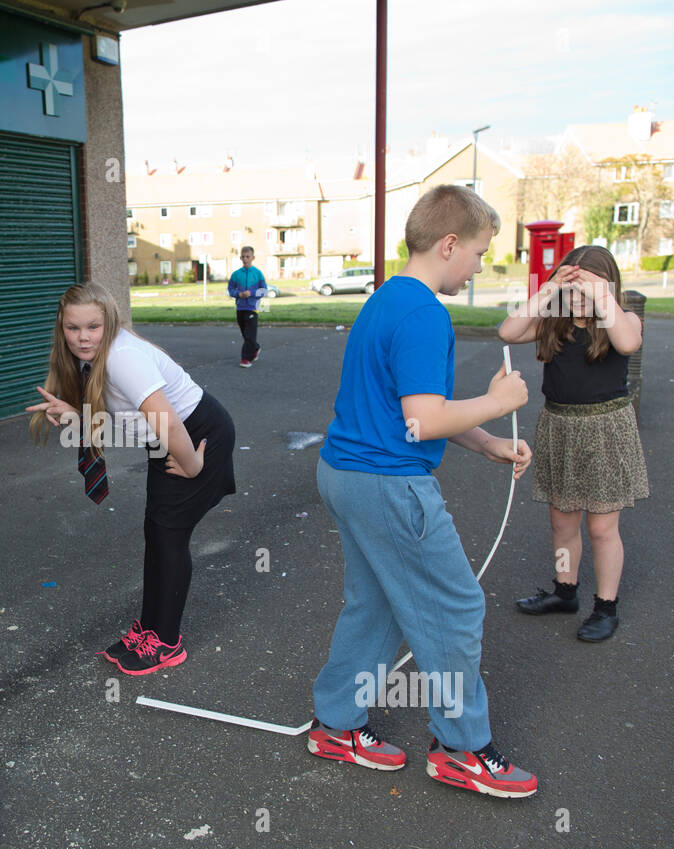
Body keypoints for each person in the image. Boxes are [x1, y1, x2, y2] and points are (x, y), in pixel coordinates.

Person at [309, 185, 539, 798]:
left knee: (378, 603)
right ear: (449, 243)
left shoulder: (389, 299)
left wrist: (489, 441)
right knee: (455, 606)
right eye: (481, 252)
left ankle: (336, 724)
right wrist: (501, 401)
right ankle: (463, 751)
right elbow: (424, 421)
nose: (482, 264)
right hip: (386, 485)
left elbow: (409, 412)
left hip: (346, 472)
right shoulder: (423, 314)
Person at [27, 281, 236, 677]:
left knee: (170, 536)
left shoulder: (122, 357)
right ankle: (149, 629)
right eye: (73, 328)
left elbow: (167, 420)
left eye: (93, 326)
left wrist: (192, 465)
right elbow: (131, 423)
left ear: (109, 322)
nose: (83, 337)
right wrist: (78, 416)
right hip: (168, 440)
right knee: (156, 534)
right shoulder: (92, 357)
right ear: (62, 327)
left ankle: (167, 643)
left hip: (193, 438)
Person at [499, 246, 647, 642]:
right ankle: (565, 592)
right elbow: (507, 332)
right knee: (562, 521)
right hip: (559, 425)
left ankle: (605, 607)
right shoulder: (553, 322)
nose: (578, 296)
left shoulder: (622, 320)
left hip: (605, 430)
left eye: (588, 287)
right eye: (572, 288)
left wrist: (601, 295)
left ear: (607, 286)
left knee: (601, 527)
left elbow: (629, 343)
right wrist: (548, 290)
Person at [227, 246, 267, 367]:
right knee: (246, 334)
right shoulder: (236, 274)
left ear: (253, 257)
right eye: (243, 257)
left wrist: (252, 293)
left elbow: (264, 291)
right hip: (240, 307)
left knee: (250, 334)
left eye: (247, 256)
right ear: (240, 258)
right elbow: (230, 290)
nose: (245, 259)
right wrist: (238, 294)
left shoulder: (258, 274)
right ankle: (255, 348)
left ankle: (246, 359)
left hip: (252, 307)